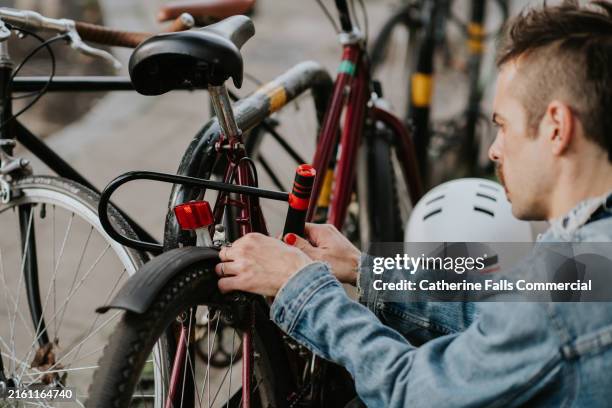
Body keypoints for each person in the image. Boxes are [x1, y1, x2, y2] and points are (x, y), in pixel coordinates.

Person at [216, 1, 612, 406]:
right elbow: (494, 313)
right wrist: (362, 268)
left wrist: (301, 289)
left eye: (503, 126)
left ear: (557, 127)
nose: (494, 150)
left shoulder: (566, 302)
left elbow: (417, 392)